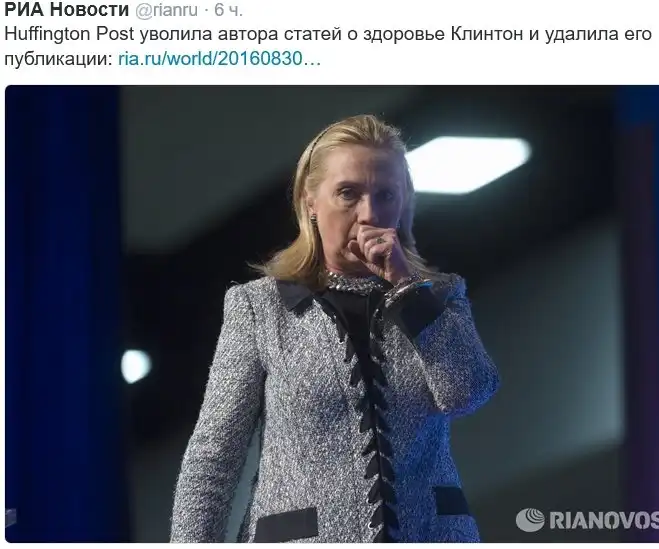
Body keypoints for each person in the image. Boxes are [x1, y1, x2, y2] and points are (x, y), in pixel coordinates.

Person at [170, 114, 500, 543]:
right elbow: (213, 458)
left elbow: (469, 392)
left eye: (386, 195)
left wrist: (406, 288)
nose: (369, 214)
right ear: (310, 201)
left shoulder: (439, 295)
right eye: (348, 193)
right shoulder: (259, 308)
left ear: (404, 203)